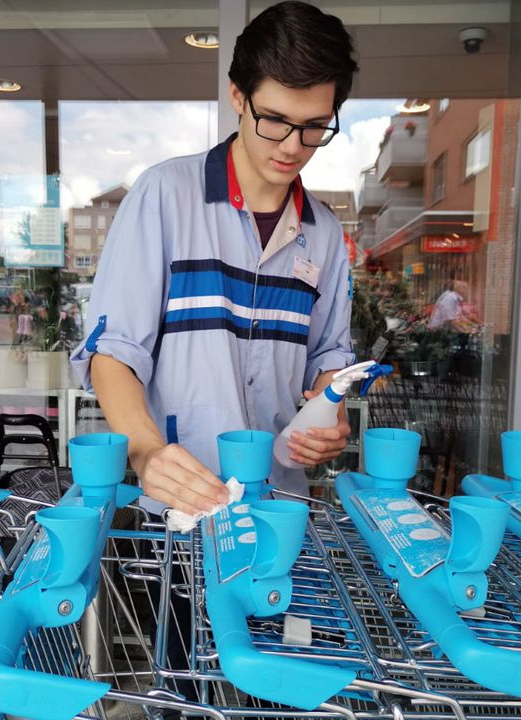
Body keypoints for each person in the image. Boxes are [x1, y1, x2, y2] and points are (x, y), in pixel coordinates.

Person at [70, 1, 360, 517]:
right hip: (177, 510)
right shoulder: (164, 197)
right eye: (275, 120)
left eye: (315, 126)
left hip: (280, 505)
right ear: (237, 96)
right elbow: (114, 351)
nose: (293, 147)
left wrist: (330, 415)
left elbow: (328, 358)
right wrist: (147, 451)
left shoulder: (325, 234)